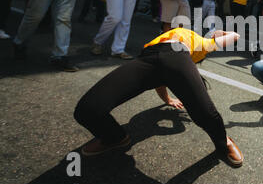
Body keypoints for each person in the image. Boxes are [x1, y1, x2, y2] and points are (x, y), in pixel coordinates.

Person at [74, 28, 244, 167]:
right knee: (86, 110)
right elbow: (234, 36)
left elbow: (166, 76)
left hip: (176, 56)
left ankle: (224, 142)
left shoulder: (202, 47)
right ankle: (114, 137)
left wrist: (170, 102)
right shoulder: (202, 41)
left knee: (206, 113)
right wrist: (168, 100)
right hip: (149, 57)